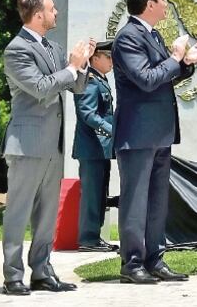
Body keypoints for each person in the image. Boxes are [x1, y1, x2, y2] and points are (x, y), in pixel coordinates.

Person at [112, 0, 197, 284]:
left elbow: (164, 76)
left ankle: (155, 259)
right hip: (138, 133)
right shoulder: (128, 37)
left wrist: (186, 65)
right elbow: (147, 79)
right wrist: (175, 58)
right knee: (136, 202)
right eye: (163, 0)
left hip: (159, 132)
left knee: (156, 202)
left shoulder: (151, 34)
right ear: (149, 5)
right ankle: (132, 264)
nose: (167, 5)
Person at [1, 0, 92, 295]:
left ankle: (42, 271)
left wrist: (82, 64)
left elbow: (74, 87)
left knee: (47, 214)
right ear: (38, 14)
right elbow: (40, 88)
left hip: (52, 144)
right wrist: (70, 67)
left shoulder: (52, 47)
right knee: (18, 213)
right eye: (53, 9)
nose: (57, 13)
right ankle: (13, 275)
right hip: (26, 145)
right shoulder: (16, 50)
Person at [73, 39, 118, 252]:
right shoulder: (90, 80)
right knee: (92, 194)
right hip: (91, 148)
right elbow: (87, 113)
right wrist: (111, 130)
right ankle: (88, 238)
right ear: (95, 57)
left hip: (100, 148)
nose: (112, 61)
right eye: (108, 57)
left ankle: (94, 237)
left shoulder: (100, 79)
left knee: (100, 193)